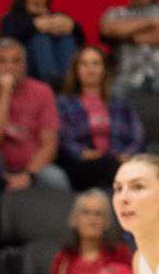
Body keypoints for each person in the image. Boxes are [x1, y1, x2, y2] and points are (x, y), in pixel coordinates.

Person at [0, 38, 69, 246]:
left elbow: (49, 145)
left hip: (31, 170)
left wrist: (28, 175)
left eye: (16, 61)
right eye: (2, 61)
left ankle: (61, 245)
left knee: (55, 177)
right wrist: (5, 94)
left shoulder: (42, 92)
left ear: (25, 65)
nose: (9, 67)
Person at [56, 44, 145, 192]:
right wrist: (82, 153)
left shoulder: (121, 103)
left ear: (104, 69)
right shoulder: (64, 103)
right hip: (82, 165)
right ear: (76, 70)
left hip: (119, 162)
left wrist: (127, 155)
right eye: (84, 64)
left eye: (96, 63)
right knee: (111, 167)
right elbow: (63, 140)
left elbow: (137, 137)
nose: (90, 69)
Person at [0, 0, 84, 88]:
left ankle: (68, 86)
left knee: (67, 40)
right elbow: (5, 43)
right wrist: (34, 26)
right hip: (29, 74)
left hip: (65, 73)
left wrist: (73, 27)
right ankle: (52, 85)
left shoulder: (60, 18)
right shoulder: (12, 19)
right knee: (40, 39)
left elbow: (82, 45)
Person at [99, 0, 159, 96]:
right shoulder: (116, 13)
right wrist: (152, 23)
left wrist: (126, 37)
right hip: (126, 79)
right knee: (112, 95)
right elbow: (108, 29)